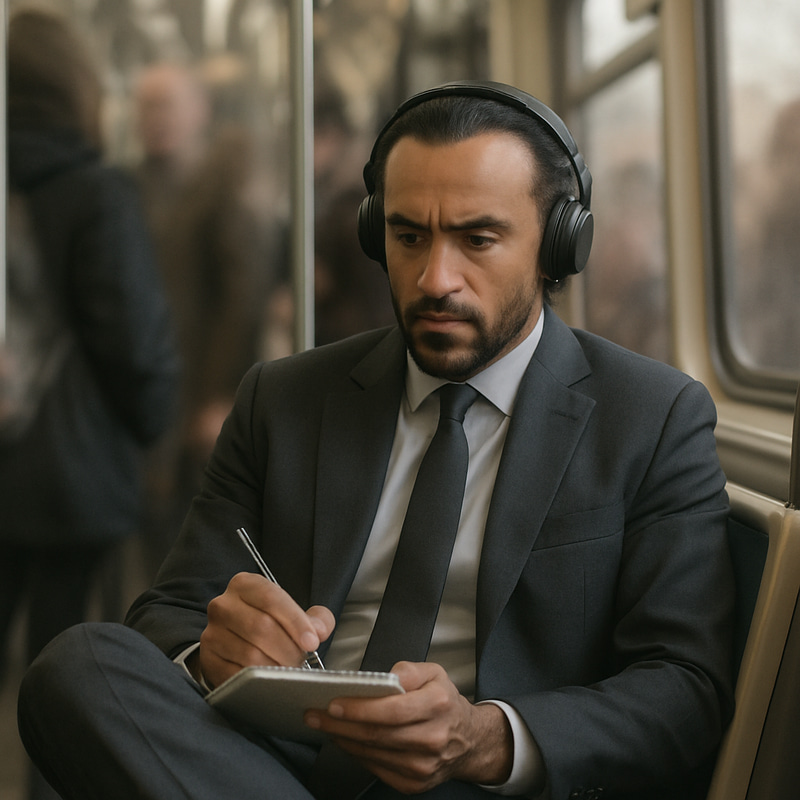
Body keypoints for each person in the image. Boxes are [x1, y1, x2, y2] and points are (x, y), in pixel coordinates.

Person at [18, 81, 734, 800]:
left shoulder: (652, 416)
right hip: (268, 768)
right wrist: (210, 655)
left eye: (477, 238)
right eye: (408, 235)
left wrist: (484, 738)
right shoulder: (283, 399)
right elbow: (168, 615)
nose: (435, 278)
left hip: (475, 781)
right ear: (374, 232)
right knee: (77, 664)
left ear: (557, 246)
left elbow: (685, 687)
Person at [0, 9, 179, 800]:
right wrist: (152, 427)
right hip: (71, 472)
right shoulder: (95, 190)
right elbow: (132, 339)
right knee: (64, 678)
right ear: (76, 86)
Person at [132, 62, 277, 577]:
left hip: (202, 390)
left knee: (197, 546)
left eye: (167, 104)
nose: (156, 118)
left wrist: (221, 394)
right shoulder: (135, 187)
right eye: (147, 106)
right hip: (151, 388)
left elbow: (244, 295)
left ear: (199, 111)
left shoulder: (220, 187)